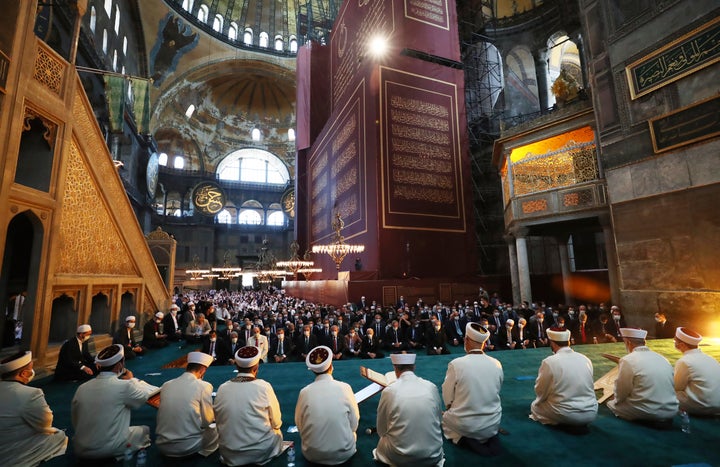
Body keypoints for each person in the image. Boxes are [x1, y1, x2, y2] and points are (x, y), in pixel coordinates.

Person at [72, 344, 152, 460]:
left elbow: (76, 419)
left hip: (81, 448)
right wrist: (132, 380)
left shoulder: (81, 388)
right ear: (120, 364)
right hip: (109, 448)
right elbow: (143, 397)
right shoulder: (125, 386)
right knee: (144, 430)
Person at [214, 346, 285, 466]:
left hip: (229, 453)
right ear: (256, 367)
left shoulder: (222, 388)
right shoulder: (263, 387)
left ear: (237, 366)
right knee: (277, 432)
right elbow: (277, 423)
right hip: (260, 452)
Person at [373, 353, 445, 466]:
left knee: (383, 441)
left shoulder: (389, 391)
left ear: (395, 368)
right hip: (432, 455)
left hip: (401, 458)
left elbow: (381, 430)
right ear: (414, 367)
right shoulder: (430, 386)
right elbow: (439, 420)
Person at [442, 323, 503, 455]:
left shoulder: (456, 364)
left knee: (443, 418)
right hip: (493, 422)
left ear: (466, 340)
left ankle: (464, 439)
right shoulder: (496, 363)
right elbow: (497, 389)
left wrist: (449, 410)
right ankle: (488, 437)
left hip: (466, 424)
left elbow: (447, 398)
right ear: (484, 344)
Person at [0, 351, 68, 466]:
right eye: (31, 368)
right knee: (59, 435)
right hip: (8, 452)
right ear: (23, 374)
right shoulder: (31, 394)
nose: (32, 372)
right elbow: (46, 423)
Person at [295, 346, 360, 465]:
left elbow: (300, 425)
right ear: (331, 366)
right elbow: (354, 423)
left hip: (312, 453)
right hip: (344, 452)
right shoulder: (345, 387)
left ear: (313, 370)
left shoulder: (304, 392)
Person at [607, 328, 679, 426]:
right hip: (671, 410)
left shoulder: (627, 360)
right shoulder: (662, 358)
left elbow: (622, 391)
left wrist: (615, 400)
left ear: (628, 343)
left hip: (647, 411)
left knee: (611, 404)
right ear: (644, 342)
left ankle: (645, 419)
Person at [530, 327, 598, 427]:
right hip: (591, 411)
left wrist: (538, 402)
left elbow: (541, 390)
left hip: (565, 413)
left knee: (535, 407)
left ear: (552, 343)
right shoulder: (585, 359)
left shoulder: (549, 362)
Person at [156, 351, 218, 458]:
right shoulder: (204, 386)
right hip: (188, 446)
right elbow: (207, 421)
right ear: (203, 370)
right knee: (217, 427)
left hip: (162, 446)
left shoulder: (166, 385)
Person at [673, 327, 720, 416]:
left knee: (665, 391)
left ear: (682, 345)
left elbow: (676, 387)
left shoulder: (684, 361)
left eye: (675, 342)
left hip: (701, 407)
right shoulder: (711, 359)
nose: (674, 344)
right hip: (718, 405)